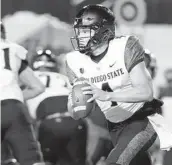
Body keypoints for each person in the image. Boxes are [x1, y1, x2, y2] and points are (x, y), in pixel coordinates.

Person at [65, 5, 172, 165]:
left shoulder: (125, 47)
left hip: (141, 120)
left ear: (103, 30)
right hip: (114, 127)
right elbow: (74, 107)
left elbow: (146, 92)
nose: (80, 35)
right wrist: (76, 107)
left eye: (86, 30)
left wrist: (108, 95)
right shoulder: (74, 61)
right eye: (79, 30)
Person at [26, 49, 88, 165]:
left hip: (49, 122)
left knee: (47, 161)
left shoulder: (28, 78)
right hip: (76, 122)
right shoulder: (63, 78)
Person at [0, 22, 45, 165]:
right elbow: (38, 87)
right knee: (31, 160)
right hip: (13, 108)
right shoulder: (12, 50)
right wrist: (14, 97)